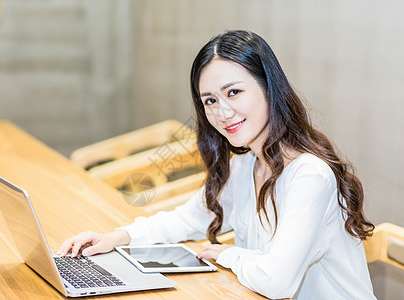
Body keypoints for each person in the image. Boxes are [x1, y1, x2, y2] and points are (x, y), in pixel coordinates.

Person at [58, 30, 376, 299]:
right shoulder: (247, 163)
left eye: (234, 92)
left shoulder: (310, 175)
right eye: (210, 100)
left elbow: (277, 282)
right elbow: (186, 219)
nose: (222, 112)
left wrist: (229, 254)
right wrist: (116, 238)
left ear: (270, 89)